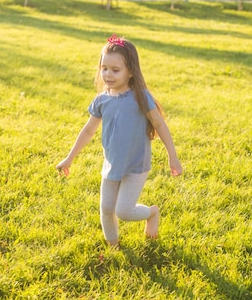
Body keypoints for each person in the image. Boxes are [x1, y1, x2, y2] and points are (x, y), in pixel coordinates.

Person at [56, 34, 182, 247]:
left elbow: (160, 125)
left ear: (130, 71)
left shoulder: (140, 97)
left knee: (123, 211)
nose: (108, 74)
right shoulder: (102, 100)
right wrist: (69, 158)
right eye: (104, 68)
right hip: (112, 164)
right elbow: (88, 131)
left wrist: (173, 157)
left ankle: (151, 213)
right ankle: (114, 246)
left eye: (115, 70)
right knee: (106, 209)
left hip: (135, 165)